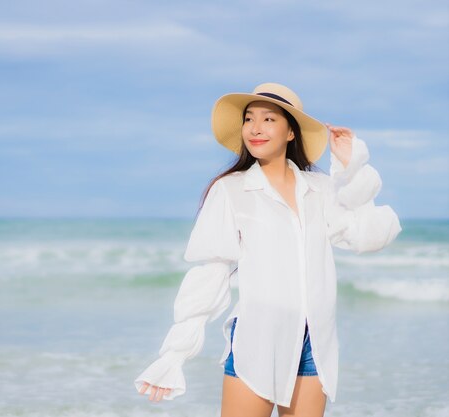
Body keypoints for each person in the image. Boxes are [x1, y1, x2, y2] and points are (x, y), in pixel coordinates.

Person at [133, 83, 402, 417]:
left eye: (269, 119)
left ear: (291, 132)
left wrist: (352, 169)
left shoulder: (319, 189)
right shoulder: (231, 190)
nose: (255, 128)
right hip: (257, 341)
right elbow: (211, 273)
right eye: (249, 119)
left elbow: (367, 236)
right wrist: (174, 353)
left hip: (314, 344)